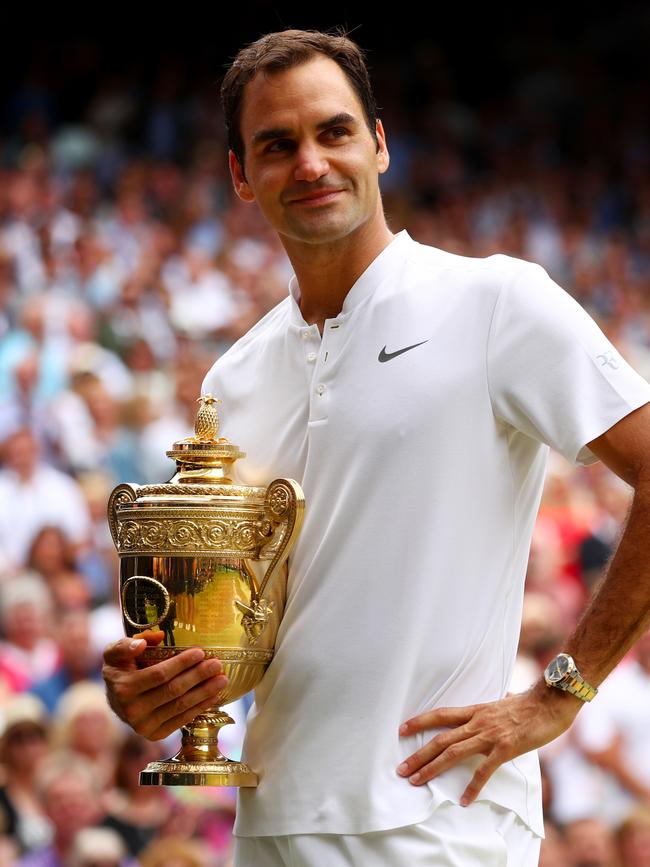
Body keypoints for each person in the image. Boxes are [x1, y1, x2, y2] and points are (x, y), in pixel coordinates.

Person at [102, 27, 650, 866]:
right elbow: (243, 622)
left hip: (441, 823)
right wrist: (153, 686)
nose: (312, 162)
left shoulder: (497, 301)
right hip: (270, 817)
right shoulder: (232, 379)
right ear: (240, 177)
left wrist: (559, 692)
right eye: (277, 145)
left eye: (335, 131)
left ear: (380, 144)